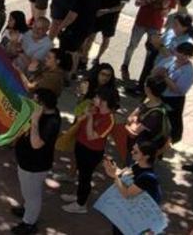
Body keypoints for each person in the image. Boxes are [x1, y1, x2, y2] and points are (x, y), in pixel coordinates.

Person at [62, 84, 119, 214]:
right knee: (81, 174)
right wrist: (86, 114)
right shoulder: (96, 109)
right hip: (81, 145)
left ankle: (81, 204)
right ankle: (77, 196)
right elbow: (80, 121)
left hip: (91, 151)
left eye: (97, 97)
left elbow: (91, 136)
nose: (94, 98)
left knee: (85, 177)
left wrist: (90, 116)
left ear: (105, 101)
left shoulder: (109, 119)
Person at [10, 88, 60, 234]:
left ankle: (29, 223)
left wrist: (35, 121)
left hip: (35, 166)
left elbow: (36, 144)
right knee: (27, 191)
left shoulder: (51, 122)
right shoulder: (45, 113)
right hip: (26, 162)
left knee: (33, 195)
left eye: (35, 100)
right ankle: (27, 209)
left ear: (42, 105)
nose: (32, 101)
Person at [121, 0, 178, 83]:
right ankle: (125, 66)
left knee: (151, 51)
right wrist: (150, 0)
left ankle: (145, 74)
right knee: (132, 45)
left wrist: (165, 7)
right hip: (141, 22)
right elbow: (137, 3)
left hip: (155, 25)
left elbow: (166, 14)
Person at [102, 141, 163, 235]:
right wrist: (111, 169)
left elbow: (127, 193)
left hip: (134, 217)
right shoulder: (137, 165)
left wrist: (115, 176)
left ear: (146, 156)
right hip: (127, 211)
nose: (131, 152)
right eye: (133, 149)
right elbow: (121, 175)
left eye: (136, 151)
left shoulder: (147, 177)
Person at [90, 0, 132, 66]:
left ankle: (97, 57)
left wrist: (106, 11)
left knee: (106, 38)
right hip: (98, 15)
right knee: (90, 36)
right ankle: (84, 55)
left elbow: (120, 6)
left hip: (111, 18)